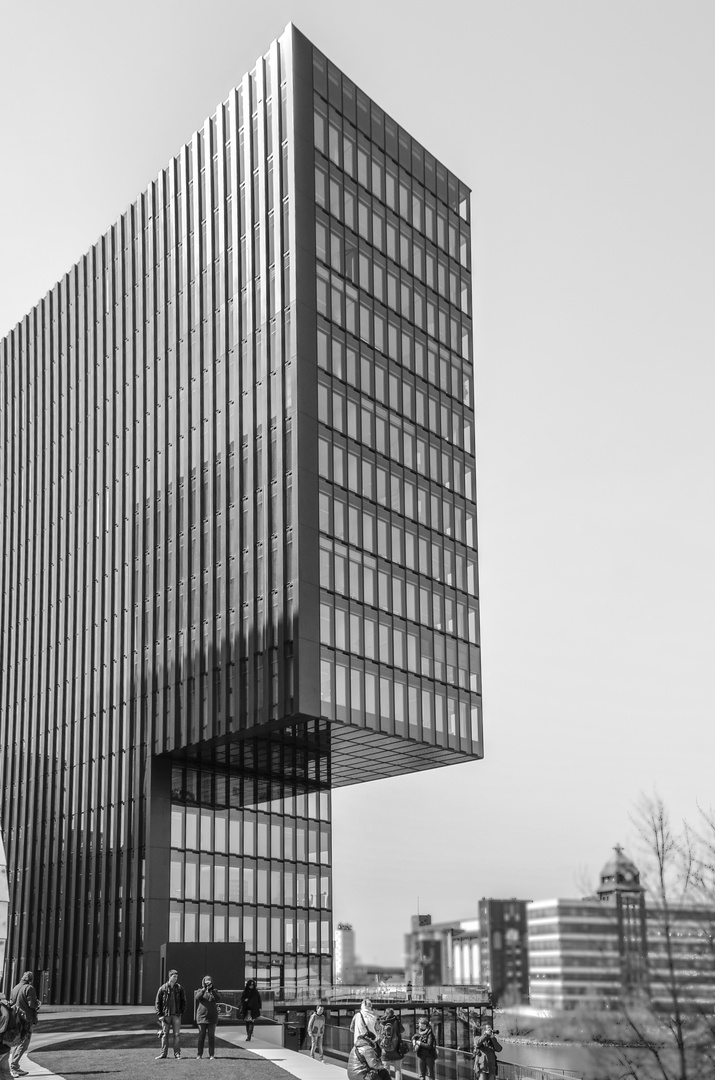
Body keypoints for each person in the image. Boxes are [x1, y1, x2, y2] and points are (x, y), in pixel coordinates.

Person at [8, 971, 39, 1079]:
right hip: (26, 1019)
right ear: (31, 979)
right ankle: (14, 1067)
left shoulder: (15, 987)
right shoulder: (29, 988)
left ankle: (14, 1066)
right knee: (24, 1043)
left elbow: (11, 1002)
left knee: (17, 1042)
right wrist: (38, 1004)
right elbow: (31, 1004)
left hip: (16, 1018)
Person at [155, 969, 187, 1060]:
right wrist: (160, 1015)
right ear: (170, 977)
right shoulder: (163, 988)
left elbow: (184, 1001)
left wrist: (181, 1012)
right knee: (165, 1035)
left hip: (176, 1015)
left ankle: (177, 1054)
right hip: (166, 1015)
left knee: (176, 1035)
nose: (176, 978)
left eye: (177, 977)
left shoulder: (180, 988)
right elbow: (158, 1002)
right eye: (174, 976)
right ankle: (163, 1054)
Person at [195, 975, 222, 1060]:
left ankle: (211, 1055)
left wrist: (212, 990)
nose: (207, 984)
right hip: (202, 1017)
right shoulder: (200, 990)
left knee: (211, 1036)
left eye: (209, 982)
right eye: (206, 982)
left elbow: (217, 998)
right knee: (201, 1036)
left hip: (212, 1017)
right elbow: (197, 997)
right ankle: (199, 1055)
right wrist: (204, 989)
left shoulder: (214, 991)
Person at [376, 1007, 406, 1080]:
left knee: (386, 1071)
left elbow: (379, 1036)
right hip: (396, 1050)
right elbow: (402, 1030)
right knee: (398, 1070)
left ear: (385, 1013)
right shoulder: (396, 1021)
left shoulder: (382, 1022)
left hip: (385, 1051)